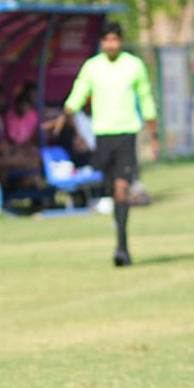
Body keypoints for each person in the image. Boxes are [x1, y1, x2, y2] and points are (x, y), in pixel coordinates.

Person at [50, 20, 158, 266]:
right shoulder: (93, 67)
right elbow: (79, 93)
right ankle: (120, 239)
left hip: (127, 133)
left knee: (122, 189)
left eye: (115, 40)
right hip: (103, 135)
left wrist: (154, 136)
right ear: (101, 43)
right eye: (107, 40)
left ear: (120, 41)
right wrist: (64, 115)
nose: (111, 45)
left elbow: (146, 99)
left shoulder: (133, 66)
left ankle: (122, 248)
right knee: (112, 190)